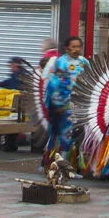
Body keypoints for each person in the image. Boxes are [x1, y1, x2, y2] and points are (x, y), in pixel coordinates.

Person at [42, 36, 86, 171]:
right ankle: (53, 166)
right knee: (62, 136)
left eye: (79, 46)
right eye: (73, 47)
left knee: (75, 137)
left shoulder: (84, 62)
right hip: (63, 107)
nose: (76, 49)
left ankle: (68, 167)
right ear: (67, 48)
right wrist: (58, 104)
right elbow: (54, 84)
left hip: (79, 106)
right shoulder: (61, 63)